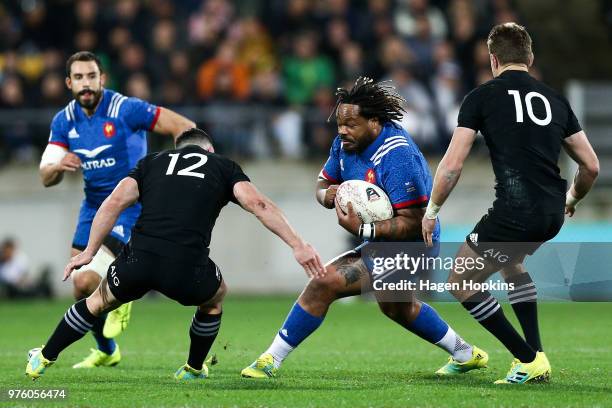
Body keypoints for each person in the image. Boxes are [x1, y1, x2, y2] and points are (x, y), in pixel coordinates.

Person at [26, 128, 325, 380]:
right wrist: (297, 245)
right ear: (209, 149)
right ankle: (194, 368)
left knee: (97, 301)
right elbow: (258, 205)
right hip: (187, 267)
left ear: (176, 149)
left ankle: (44, 356)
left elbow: (114, 202)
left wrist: (89, 251)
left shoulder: (151, 162)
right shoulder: (222, 165)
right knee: (215, 296)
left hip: (138, 259)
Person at [241, 77, 488, 379]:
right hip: (382, 240)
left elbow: (415, 220)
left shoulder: (398, 156)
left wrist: (365, 230)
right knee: (398, 309)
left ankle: (270, 360)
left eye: (351, 124)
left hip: (412, 244)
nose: (343, 131)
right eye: (339, 125)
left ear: (374, 122)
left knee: (324, 282)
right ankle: (465, 353)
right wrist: (326, 195)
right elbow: (322, 184)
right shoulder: (344, 143)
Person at [421, 23, 599, 384]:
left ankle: (526, 358)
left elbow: (452, 165)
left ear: (493, 59)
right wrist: (573, 199)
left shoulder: (481, 97)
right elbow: (591, 166)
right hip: (552, 212)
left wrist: (432, 210)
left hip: (516, 210)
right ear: (530, 58)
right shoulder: (555, 100)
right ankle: (539, 356)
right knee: (512, 263)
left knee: (460, 280)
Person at [38, 51, 195, 369]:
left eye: (91, 76)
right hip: (92, 207)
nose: (86, 84)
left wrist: (183, 171)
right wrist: (58, 166)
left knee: (86, 282)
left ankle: (122, 293)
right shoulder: (64, 120)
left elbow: (184, 126)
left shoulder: (126, 108)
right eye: (79, 78)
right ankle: (107, 349)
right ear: (69, 83)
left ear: (102, 79)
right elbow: (45, 177)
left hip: (129, 206)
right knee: (80, 287)